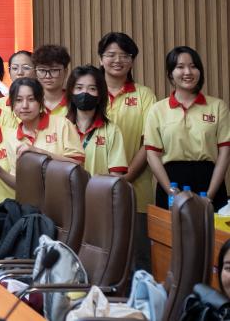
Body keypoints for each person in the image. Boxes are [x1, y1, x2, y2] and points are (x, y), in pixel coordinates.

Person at [97, 31, 157, 270]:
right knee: (99, 257)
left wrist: (124, 179)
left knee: (139, 260)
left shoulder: (144, 95)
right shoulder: (90, 93)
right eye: (111, 54)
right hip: (94, 191)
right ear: (101, 59)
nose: (117, 60)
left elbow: (149, 142)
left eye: (125, 55)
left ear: (132, 61)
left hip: (136, 191)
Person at [144, 46, 230, 208]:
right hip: (171, 182)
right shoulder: (157, 109)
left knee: (211, 225)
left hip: (210, 181)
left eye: (193, 66)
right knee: (171, 225)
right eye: (180, 67)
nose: (188, 72)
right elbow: (152, 155)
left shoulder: (218, 106)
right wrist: (170, 191)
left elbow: (225, 153)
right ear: (170, 73)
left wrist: (209, 195)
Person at [65, 65, 128, 177]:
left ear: (100, 96)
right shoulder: (61, 127)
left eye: (92, 89)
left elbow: (116, 176)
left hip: (100, 189)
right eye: (79, 88)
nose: (85, 93)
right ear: (71, 93)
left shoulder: (112, 131)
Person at [5, 78, 84, 163]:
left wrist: (39, 152)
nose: (25, 105)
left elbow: (78, 163)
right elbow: (16, 172)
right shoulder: (11, 139)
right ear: (12, 104)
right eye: (18, 100)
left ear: (41, 101)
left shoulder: (62, 124)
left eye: (31, 99)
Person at [32, 45, 71, 117]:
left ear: (65, 72)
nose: (48, 76)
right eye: (42, 70)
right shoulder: (28, 103)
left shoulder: (74, 103)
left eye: (54, 70)